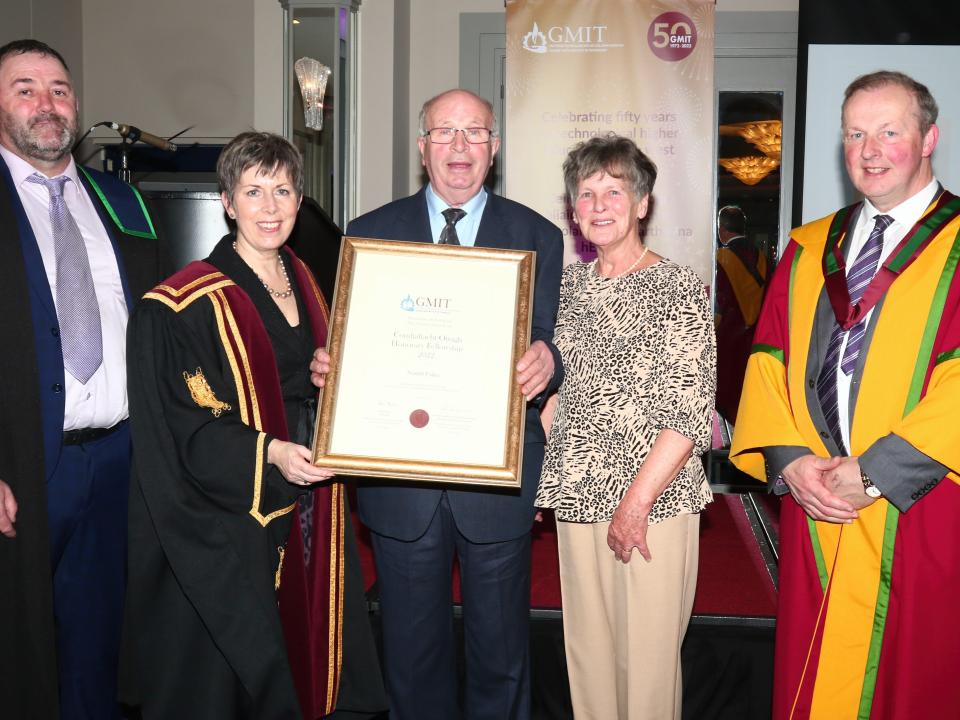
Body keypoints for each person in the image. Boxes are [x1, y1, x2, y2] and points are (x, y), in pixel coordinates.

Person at [121, 132, 386, 719]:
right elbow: (185, 423)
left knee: (311, 657)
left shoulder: (310, 281)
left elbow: (310, 376)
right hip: (239, 513)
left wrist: (331, 377)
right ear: (226, 201)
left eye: (283, 191)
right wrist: (269, 453)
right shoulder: (182, 304)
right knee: (249, 677)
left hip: (315, 497)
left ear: (299, 200)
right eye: (254, 191)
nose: (270, 208)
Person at [730, 71, 960, 719]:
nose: (870, 149)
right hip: (819, 502)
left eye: (890, 132)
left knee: (917, 679)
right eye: (855, 134)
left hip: (922, 507)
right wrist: (791, 461)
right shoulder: (810, 248)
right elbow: (767, 361)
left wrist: (879, 472)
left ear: (928, 139)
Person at [339, 88, 563, 720]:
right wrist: (337, 364)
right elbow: (354, 342)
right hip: (401, 486)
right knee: (412, 659)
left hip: (495, 482)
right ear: (423, 146)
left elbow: (551, 333)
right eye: (445, 132)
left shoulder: (537, 234)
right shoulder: (368, 234)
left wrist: (549, 358)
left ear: (493, 148)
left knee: (502, 657)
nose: (459, 146)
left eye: (474, 133)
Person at [0, 39, 163, 719]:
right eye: (25, 88)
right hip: (22, 470)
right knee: (20, 654)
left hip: (118, 462)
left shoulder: (121, 203)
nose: (47, 104)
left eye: (60, 89)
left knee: (100, 648)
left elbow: (163, 326)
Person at [536, 134, 716, 719]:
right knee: (587, 657)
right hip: (578, 495)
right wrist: (542, 470)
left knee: (646, 667)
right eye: (586, 194)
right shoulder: (568, 288)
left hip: (652, 502)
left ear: (642, 204)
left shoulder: (677, 287)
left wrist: (634, 505)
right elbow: (556, 392)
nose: (598, 204)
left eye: (614, 191)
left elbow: (687, 409)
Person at [714, 204, 766, 423]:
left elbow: (720, 300)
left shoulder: (722, 257)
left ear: (722, 230)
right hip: (754, 333)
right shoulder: (760, 256)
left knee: (725, 385)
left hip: (728, 332)